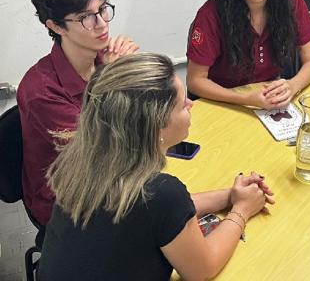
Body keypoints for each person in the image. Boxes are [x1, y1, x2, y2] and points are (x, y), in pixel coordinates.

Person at [37, 53, 275, 280]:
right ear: (156, 126)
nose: (191, 105)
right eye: (182, 105)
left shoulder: (88, 160)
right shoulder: (160, 193)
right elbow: (202, 269)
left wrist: (230, 196)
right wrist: (241, 210)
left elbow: (163, 213)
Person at [17, 0, 139, 227]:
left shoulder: (101, 59)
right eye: (86, 17)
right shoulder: (41, 91)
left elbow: (140, 124)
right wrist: (112, 80)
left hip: (111, 172)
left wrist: (127, 73)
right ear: (57, 26)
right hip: (65, 198)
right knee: (161, 210)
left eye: (103, 9)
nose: (101, 24)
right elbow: (98, 150)